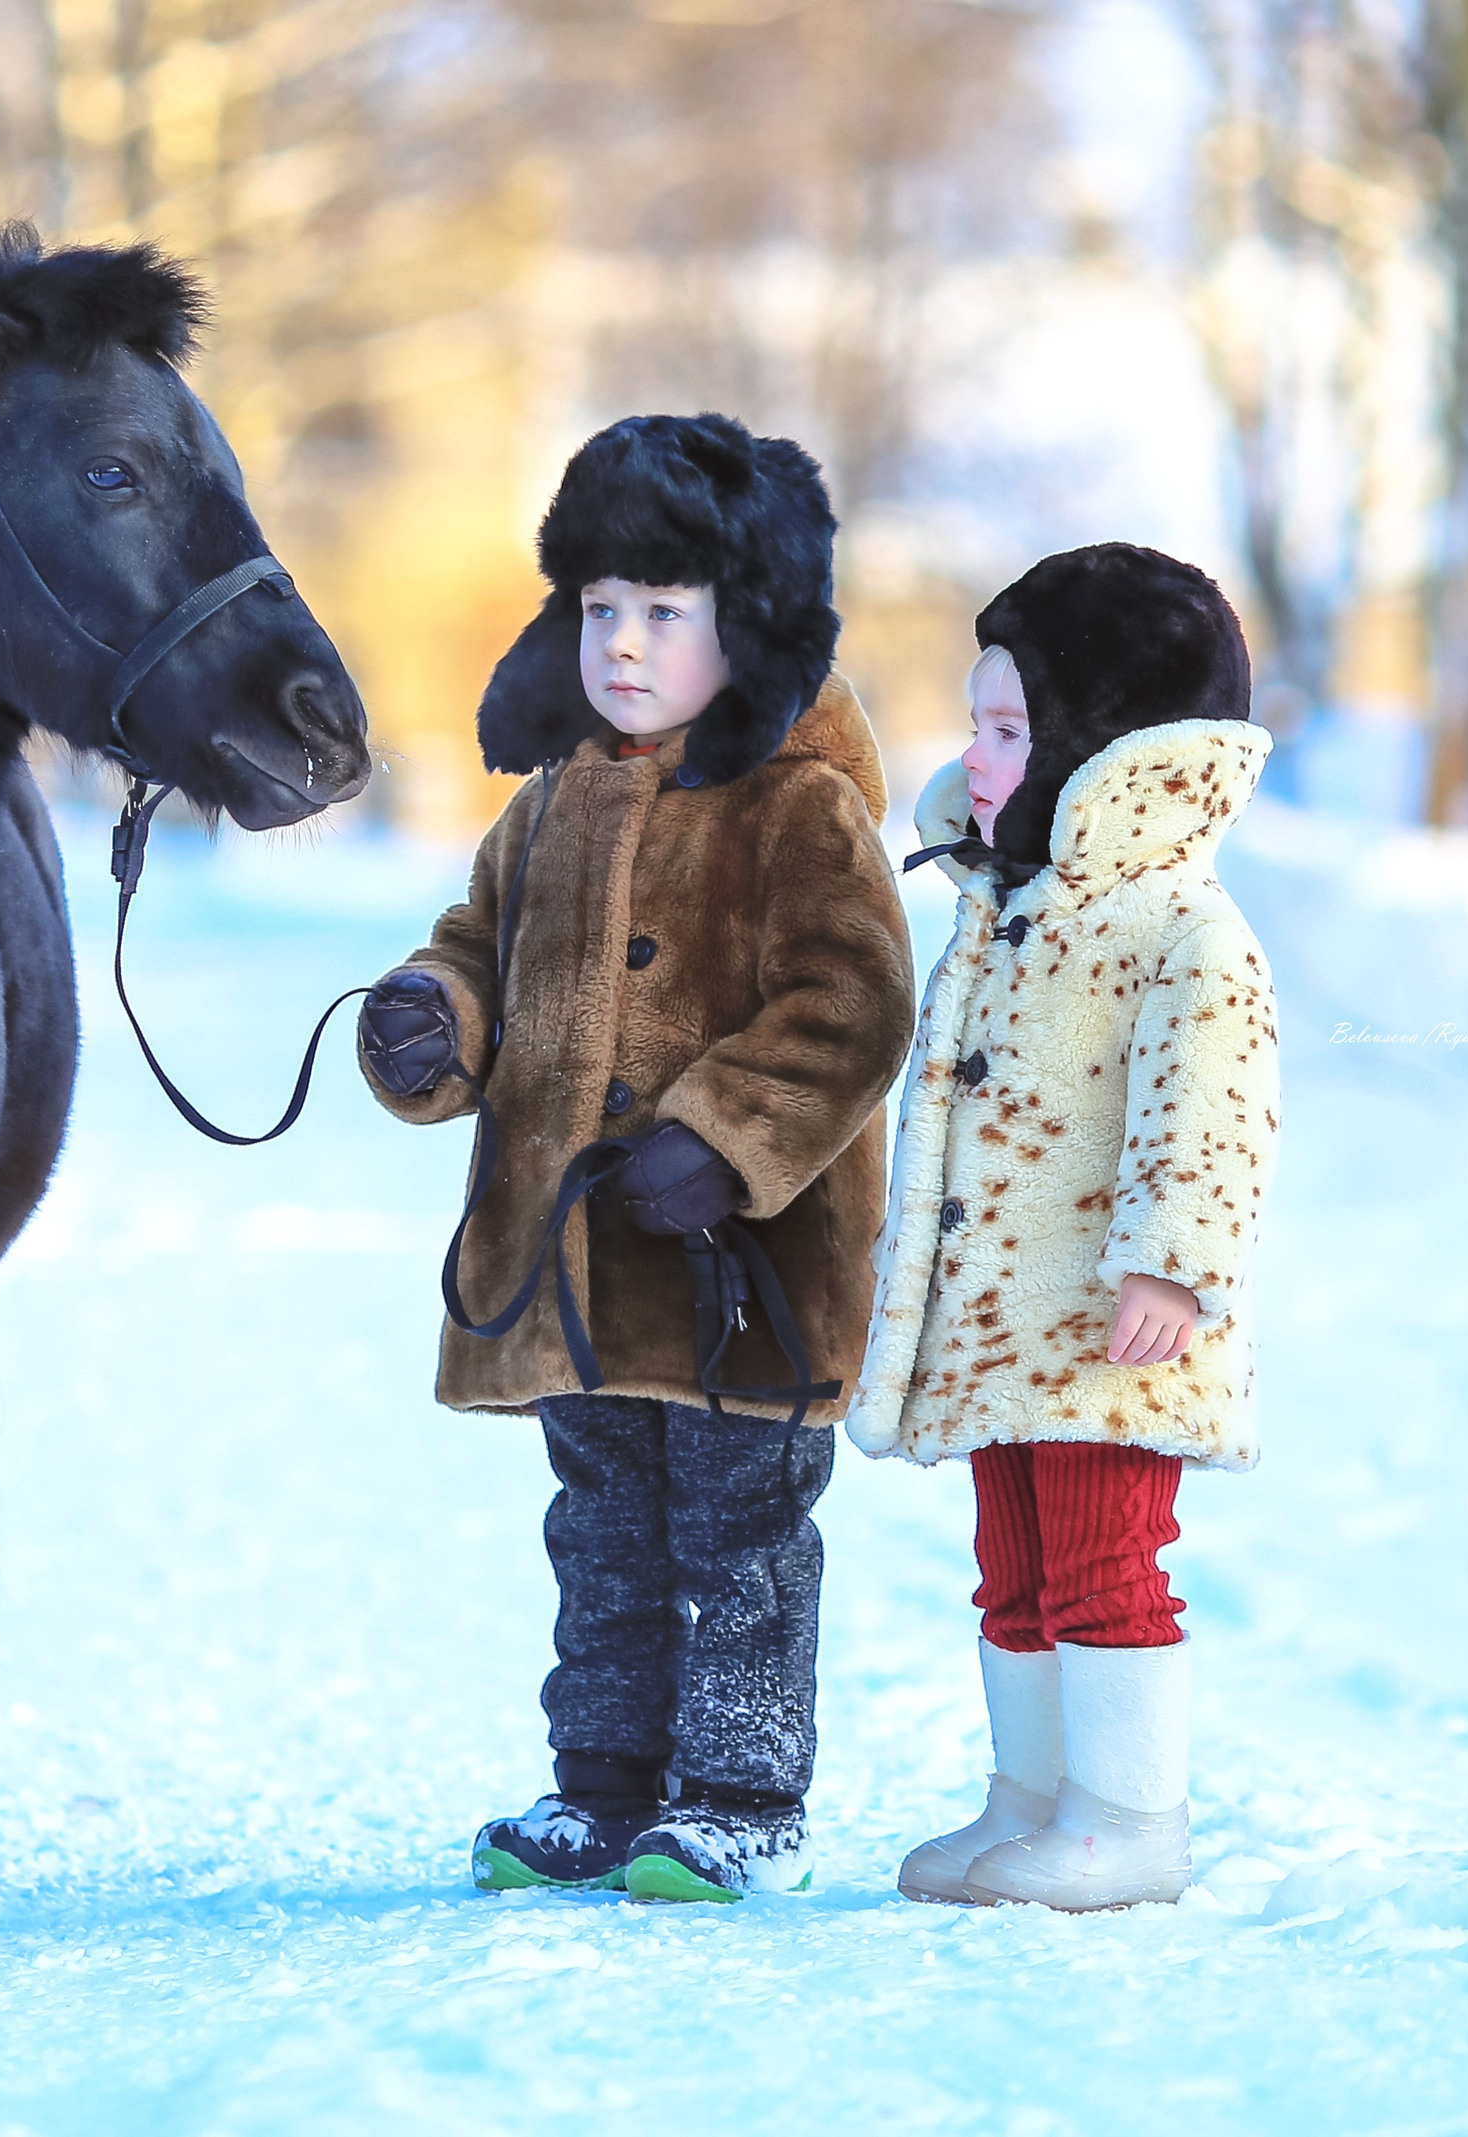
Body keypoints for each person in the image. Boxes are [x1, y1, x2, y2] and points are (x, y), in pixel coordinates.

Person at [356, 414, 916, 1903]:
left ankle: (741, 1794)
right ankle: (602, 1783)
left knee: (740, 1533)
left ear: (753, 624)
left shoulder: (799, 806)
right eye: (601, 607)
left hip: (742, 1276)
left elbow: (855, 1002)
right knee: (602, 1531)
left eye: (665, 611)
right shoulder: (553, 800)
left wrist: (726, 1139)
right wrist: (438, 1017)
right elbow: (480, 948)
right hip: (575, 1265)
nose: (622, 642)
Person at [847, 543, 1282, 1911]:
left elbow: (1213, 1107)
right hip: (1007, 1325)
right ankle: (1030, 1798)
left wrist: (1174, 1264)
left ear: (1109, 753)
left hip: (1108, 1321)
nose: (976, 755)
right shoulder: (1012, 908)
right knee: (1014, 1564)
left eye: (1009, 728)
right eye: (976, 723)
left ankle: (1129, 1815)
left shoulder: (1181, 926)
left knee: (1105, 1562)